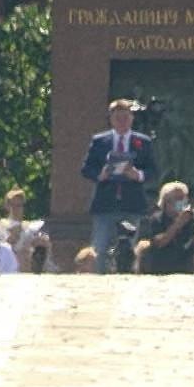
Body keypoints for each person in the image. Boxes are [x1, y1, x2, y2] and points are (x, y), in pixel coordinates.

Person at [80, 98, 159, 275]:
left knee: (128, 250)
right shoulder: (100, 141)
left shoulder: (143, 142)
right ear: (111, 119)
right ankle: (100, 281)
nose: (121, 121)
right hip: (105, 203)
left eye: (125, 117)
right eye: (117, 117)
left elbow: (153, 170)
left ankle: (125, 280)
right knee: (100, 248)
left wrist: (137, 175)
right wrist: (99, 175)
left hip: (132, 203)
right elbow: (86, 169)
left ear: (131, 118)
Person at [138, 181, 194, 275]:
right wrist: (178, 224)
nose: (183, 201)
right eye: (179, 198)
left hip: (185, 270)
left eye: (185, 198)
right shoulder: (155, 220)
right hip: (160, 270)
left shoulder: (191, 220)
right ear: (167, 201)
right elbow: (159, 242)